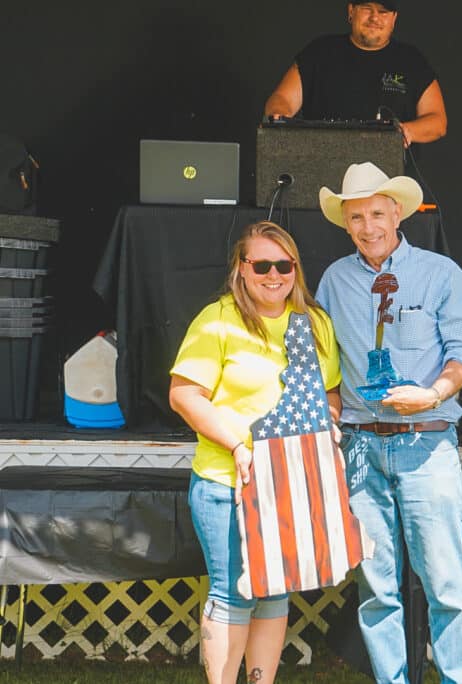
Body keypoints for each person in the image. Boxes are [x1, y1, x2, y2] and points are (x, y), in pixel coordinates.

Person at [315, 161, 462, 683]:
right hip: (361, 446)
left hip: (426, 443)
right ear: (346, 223)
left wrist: (433, 392)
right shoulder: (334, 280)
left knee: (447, 583)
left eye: (377, 213)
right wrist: (330, 409)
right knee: (377, 587)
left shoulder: (440, 273)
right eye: (357, 217)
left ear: (398, 213)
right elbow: (323, 361)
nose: (368, 227)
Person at [168, 221, 342, 684]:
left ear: (295, 270)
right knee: (233, 593)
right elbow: (185, 395)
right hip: (229, 483)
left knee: (274, 593)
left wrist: (325, 425)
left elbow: (330, 394)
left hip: (290, 483)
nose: (273, 274)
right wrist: (236, 447)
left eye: (283, 265)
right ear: (241, 269)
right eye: (260, 264)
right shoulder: (218, 319)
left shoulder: (314, 323)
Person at [264, 1, 447, 149]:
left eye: (383, 12)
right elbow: (282, 99)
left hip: (390, 178)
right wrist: (279, 118)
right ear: (351, 11)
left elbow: (438, 121)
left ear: (394, 19)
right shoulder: (320, 52)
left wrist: (407, 131)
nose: (374, 17)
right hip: (323, 169)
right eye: (367, 8)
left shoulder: (412, 60)